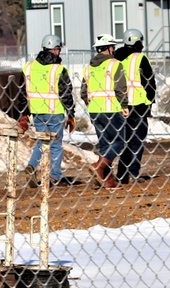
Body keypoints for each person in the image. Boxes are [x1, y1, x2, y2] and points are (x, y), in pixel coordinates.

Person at [19, 34, 76, 186]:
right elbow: (66, 94)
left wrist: (24, 114)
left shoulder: (28, 67)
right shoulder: (59, 69)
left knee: (42, 142)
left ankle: (32, 166)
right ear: (56, 50)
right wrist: (71, 114)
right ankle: (54, 177)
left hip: (36, 112)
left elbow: (22, 92)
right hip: (55, 112)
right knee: (56, 145)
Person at [81, 34, 128, 188]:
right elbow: (120, 88)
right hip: (112, 109)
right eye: (113, 47)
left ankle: (109, 181)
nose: (114, 50)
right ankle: (99, 166)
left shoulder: (88, 68)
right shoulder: (114, 65)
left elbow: (83, 92)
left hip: (95, 110)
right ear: (108, 48)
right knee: (119, 142)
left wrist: (92, 104)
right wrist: (124, 105)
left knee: (105, 145)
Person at [113, 28, 156, 184]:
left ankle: (121, 174)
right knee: (136, 140)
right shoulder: (140, 58)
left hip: (120, 105)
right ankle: (133, 172)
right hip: (138, 105)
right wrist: (150, 100)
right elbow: (149, 82)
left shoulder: (116, 58)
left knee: (124, 141)